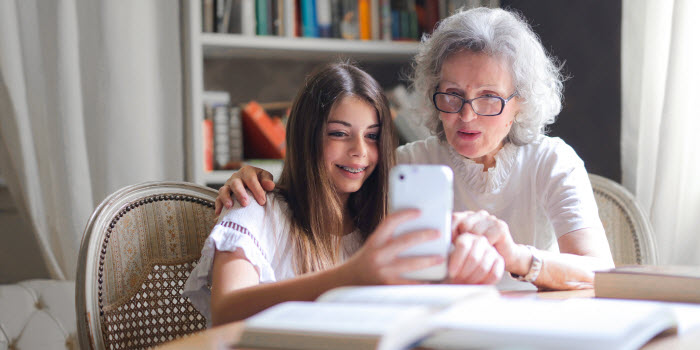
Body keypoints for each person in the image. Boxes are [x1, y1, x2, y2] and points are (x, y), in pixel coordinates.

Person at [215, 8, 615, 291]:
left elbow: (600, 272)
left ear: (520, 103)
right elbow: (323, 196)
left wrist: (516, 257)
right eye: (452, 95)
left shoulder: (552, 160)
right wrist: (252, 179)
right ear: (431, 92)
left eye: (489, 98)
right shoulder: (404, 165)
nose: (467, 116)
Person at [183, 63, 505, 327]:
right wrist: (351, 276)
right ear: (306, 137)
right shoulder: (255, 207)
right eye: (339, 134)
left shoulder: (382, 222)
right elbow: (226, 310)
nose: (359, 152)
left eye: (372, 137)